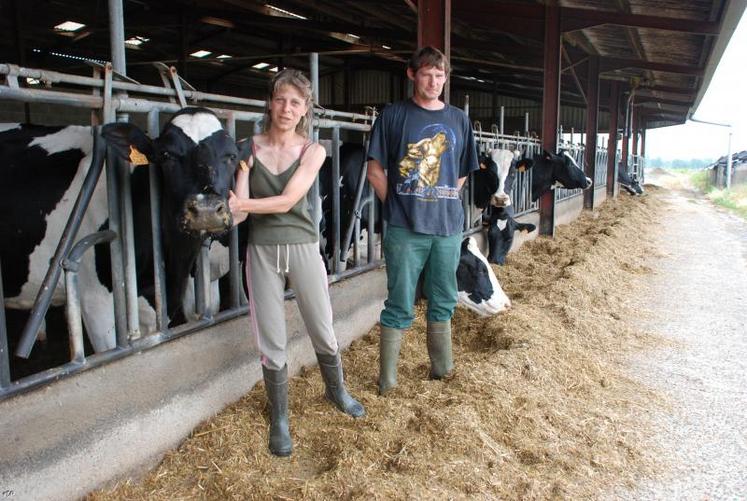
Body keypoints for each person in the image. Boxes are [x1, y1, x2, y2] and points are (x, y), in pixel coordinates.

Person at [229, 69, 365, 457]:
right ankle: (281, 418)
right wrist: (237, 191)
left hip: (304, 247)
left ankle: (336, 390)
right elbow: (238, 216)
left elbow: (288, 201)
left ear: (305, 109)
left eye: (295, 102)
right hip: (261, 251)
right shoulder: (247, 148)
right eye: (280, 100)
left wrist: (242, 205)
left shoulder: (313, 150)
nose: (286, 108)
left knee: (322, 326)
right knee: (270, 338)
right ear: (270, 103)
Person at [366, 46, 479, 395]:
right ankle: (388, 383)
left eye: (440, 75)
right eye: (427, 74)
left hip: (447, 227)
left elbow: (461, 172)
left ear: (446, 78)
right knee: (399, 301)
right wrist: (399, 206)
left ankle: (442, 372)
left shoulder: (459, 119)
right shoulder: (394, 115)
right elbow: (374, 170)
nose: (434, 81)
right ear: (412, 75)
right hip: (404, 228)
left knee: (444, 298)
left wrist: (441, 199)